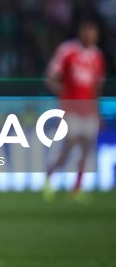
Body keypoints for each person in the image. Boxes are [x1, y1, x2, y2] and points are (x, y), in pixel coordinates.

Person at [43, 19, 104, 202]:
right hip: (70, 108)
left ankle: (77, 188)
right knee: (71, 144)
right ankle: (50, 176)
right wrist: (61, 93)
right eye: (87, 31)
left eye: (93, 32)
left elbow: (97, 87)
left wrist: (97, 111)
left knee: (86, 149)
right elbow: (51, 77)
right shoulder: (67, 51)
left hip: (88, 110)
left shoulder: (97, 57)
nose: (89, 35)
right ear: (80, 32)